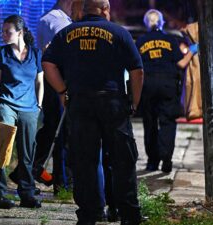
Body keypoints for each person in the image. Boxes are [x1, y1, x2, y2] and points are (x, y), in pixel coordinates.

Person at [42, 0, 144, 224]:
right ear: (105, 9)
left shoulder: (67, 33)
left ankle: (90, 214)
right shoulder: (119, 33)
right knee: (122, 160)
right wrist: (134, 102)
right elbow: (137, 71)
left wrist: (62, 91)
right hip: (113, 102)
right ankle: (128, 214)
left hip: (80, 104)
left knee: (84, 160)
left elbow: (48, 64)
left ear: (85, 9)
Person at [0, 15, 44, 209]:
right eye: (3, 31)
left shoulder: (35, 54)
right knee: (1, 148)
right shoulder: (2, 54)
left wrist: (39, 105)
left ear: (20, 32)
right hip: (6, 104)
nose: (3, 35)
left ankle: (27, 194)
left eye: (7, 31)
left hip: (29, 108)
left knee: (27, 153)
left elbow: (40, 82)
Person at [135, 9, 197, 173]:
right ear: (161, 22)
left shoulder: (141, 41)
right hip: (168, 85)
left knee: (150, 124)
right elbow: (181, 64)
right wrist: (192, 51)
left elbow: (135, 67)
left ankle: (152, 162)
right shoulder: (170, 40)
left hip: (147, 85)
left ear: (146, 23)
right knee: (168, 122)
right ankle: (166, 159)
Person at [33, 0, 73, 193]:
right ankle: (63, 181)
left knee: (52, 127)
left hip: (51, 82)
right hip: (61, 82)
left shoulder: (45, 19)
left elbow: (43, 50)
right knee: (63, 132)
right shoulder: (60, 23)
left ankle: (37, 169)